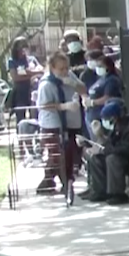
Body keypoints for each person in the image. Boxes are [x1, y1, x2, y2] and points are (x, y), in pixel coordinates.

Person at [83, 100, 129, 204]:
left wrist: (104, 150)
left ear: (114, 118)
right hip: (127, 160)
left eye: (106, 119)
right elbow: (110, 144)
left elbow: (125, 150)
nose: (105, 122)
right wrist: (97, 146)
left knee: (112, 159)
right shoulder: (117, 127)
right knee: (96, 158)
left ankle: (117, 194)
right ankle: (100, 191)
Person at [36, 52, 87, 194]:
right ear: (52, 68)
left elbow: (83, 89)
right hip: (52, 123)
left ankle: (52, 182)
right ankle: (63, 182)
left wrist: (74, 84)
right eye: (61, 69)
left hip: (71, 121)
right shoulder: (46, 84)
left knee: (69, 153)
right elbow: (43, 105)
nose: (64, 71)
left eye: (66, 68)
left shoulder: (69, 76)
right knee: (57, 154)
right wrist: (63, 106)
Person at [3, 37, 41, 127]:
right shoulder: (12, 61)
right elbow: (15, 77)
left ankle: (33, 137)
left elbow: (41, 70)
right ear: (16, 48)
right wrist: (32, 74)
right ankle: (20, 138)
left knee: (34, 116)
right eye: (21, 46)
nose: (24, 49)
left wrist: (27, 74)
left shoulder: (31, 59)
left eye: (25, 46)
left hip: (32, 91)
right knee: (20, 117)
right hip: (19, 92)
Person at [84, 53, 123, 134]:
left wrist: (92, 102)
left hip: (101, 116)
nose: (98, 68)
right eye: (97, 66)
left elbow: (107, 97)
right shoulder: (101, 78)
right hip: (92, 116)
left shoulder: (112, 80)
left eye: (101, 66)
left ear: (108, 67)